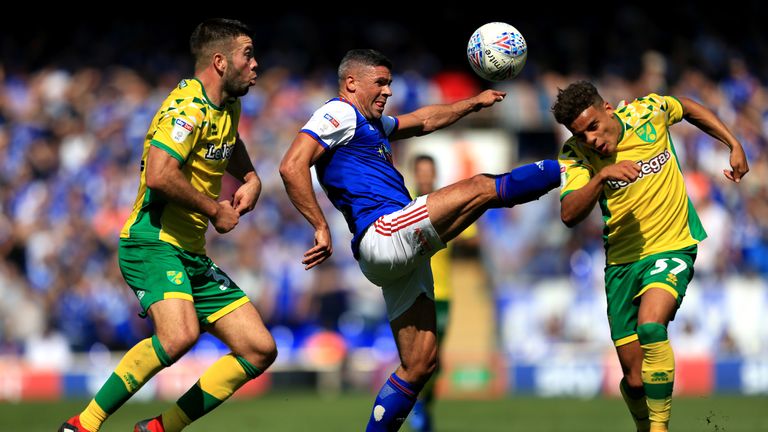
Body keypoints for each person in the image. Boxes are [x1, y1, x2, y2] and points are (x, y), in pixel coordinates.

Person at [279, 48, 561, 431]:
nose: (388, 91)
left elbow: (425, 120)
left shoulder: (371, 125)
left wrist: (472, 104)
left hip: (391, 253)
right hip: (384, 231)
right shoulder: (340, 113)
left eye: (389, 83)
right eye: (380, 82)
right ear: (351, 84)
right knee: (480, 187)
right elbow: (292, 164)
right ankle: (570, 167)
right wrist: (319, 225)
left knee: (420, 365)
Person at [60, 18, 277, 432]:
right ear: (219, 61)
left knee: (258, 348)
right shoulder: (186, 108)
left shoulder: (227, 103)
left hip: (189, 251)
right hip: (151, 241)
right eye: (247, 54)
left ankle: (160, 429)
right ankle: (82, 425)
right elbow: (160, 174)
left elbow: (228, 142)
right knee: (179, 335)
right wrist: (215, 210)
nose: (255, 64)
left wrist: (251, 177)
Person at [552, 81, 748, 432]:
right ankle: (645, 426)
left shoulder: (648, 113)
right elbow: (568, 213)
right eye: (581, 134)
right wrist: (600, 179)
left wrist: (732, 143)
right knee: (635, 378)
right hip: (621, 265)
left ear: (608, 109)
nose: (591, 139)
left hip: (673, 246)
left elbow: (686, 106)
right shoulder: (575, 154)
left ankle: (659, 429)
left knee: (651, 325)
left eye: (593, 126)